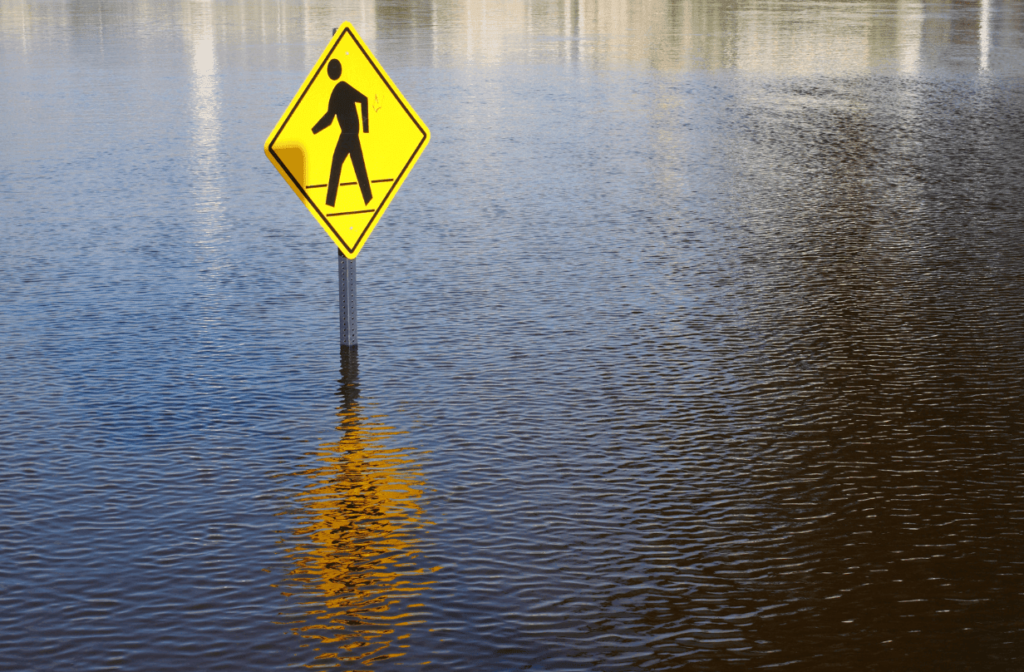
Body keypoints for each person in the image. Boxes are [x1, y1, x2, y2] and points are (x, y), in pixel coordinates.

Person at [312, 59, 372, 207]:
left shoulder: (342, 88)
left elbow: (364, 99)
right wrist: (313, 131)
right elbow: (329, 119)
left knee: (348, 166)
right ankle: (365, 200)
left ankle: (332, 203)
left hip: (350, 135)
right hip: (347, 134)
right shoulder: (335, 93)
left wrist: (365, 127)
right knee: (352, 166)